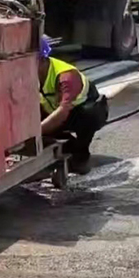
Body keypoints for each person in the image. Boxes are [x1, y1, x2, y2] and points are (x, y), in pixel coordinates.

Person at [38, 36, 108, 175]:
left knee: (90, 115)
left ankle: (81, 155)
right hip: (52, 111)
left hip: (80, 113)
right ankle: (68, 146)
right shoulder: (27, 75)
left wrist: (36, 133)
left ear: (40, 59)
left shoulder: (66, 76)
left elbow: (63, 111)